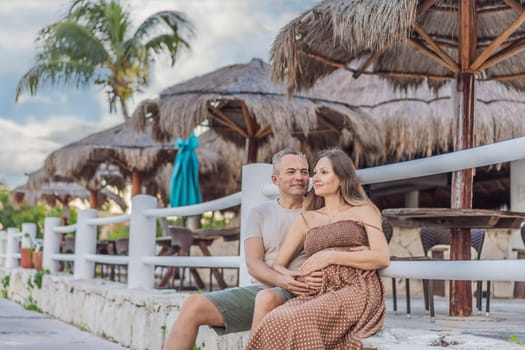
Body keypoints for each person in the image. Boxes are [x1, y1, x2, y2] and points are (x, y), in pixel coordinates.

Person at [163, 147, 322, 350]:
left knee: (268, 298)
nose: (299, 177)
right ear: (275, 180)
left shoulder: (319, 210)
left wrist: (293, 284)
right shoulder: (260, 213)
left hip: (301, 293)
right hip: (261, 290)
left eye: (304, 172)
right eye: (291, 172)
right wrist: (283, 281)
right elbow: (253, 263)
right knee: (193, 305)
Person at [246, 149, 390, 350]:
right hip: (317, 291)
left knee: (300, 319)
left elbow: (382, 257)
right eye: (315, 173)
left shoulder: (364, 210)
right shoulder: (307, 218)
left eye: (324, 172)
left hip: (356, 287)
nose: (316, 179)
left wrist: (330, 256)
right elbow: (278, 264)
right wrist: (298, 279)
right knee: (275, 319)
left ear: (341, 177)